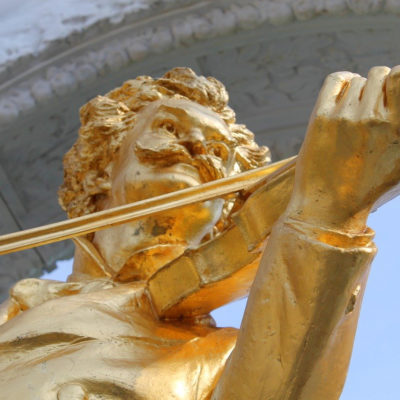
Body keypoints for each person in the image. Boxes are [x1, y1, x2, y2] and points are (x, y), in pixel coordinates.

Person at [0, 66, 399, 400]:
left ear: (227, 205)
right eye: (169, 128)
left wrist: (328, 208)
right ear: (102, 167)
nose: (194, 146)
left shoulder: (225, 355)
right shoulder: (23, 305)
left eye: (217, 151)